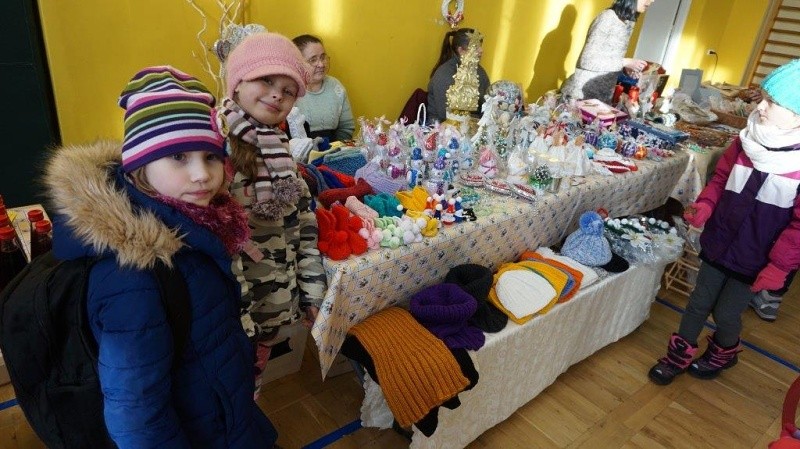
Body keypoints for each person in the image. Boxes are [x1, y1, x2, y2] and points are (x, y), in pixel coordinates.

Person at [42, 66, 278, 447]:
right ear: (140, 167)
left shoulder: (199, 227)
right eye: (179, 156)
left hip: (221, 417)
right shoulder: (133, 275)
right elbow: (137, 413)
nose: (202, 175)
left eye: (210, 156)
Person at [648, 59, 800, 386]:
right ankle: (677, 355)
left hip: (755, 257)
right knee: (698, 302)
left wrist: (779, 266)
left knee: (727, 313)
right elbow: (720, 180)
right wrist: (705, 204)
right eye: (762, 98)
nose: (760, 107)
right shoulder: (745, 142)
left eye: (772, 102)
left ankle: (726, 350)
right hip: (719, 241)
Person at [218, 32, 327, 397]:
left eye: (288, 90)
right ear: (237, 82)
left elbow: (304, 224)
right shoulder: (213, 155)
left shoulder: (282, 152)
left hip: (272, 310)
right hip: (234, 316)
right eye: (265, 80)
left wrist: (311, 292)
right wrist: (240, 319)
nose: (277, 95)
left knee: (251, 388)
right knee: (228, 393)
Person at [560, 0, 654, 104]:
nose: (652, 0)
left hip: (600, 99)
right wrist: (624, 62)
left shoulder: (628, 22)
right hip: (579, 97)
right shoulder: (607, 18)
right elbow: (587, 61)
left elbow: (608, 57)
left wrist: (625, 68)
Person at [291, 34, 355, 141]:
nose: (321, 64)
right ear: (298, 63)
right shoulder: (289, 89)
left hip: (333, 148)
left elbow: (346, 127)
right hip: (298, 149)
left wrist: (334, 148)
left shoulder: (335, 86)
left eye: (322, 57)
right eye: (313, 60)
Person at [427, 27, 490, 123]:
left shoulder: (480, 72)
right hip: (443, 125)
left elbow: (486, 104)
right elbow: (445, 114)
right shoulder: (444, 74)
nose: (481, 50)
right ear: (461, 50)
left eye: (480, 46)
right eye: (476, 47)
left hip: (471, 124)